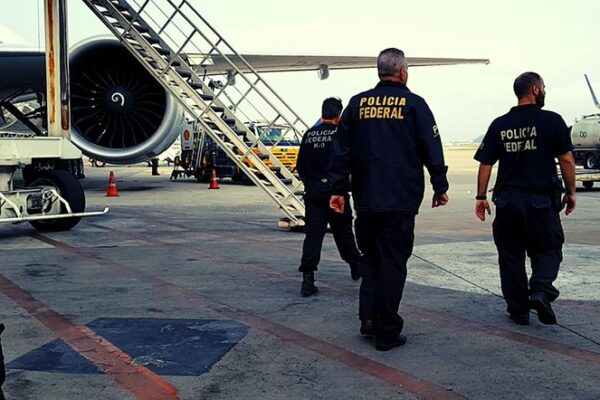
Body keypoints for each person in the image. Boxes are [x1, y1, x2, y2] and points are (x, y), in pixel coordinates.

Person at [328, 48, 449, 351]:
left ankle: (368, 319)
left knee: (371, 260)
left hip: (366, 199)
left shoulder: (356, 105)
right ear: (403, 72)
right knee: (394, 263)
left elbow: (340, 151)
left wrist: (337, 190)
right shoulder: (414, 105)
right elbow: (430, 147)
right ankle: (387, 331)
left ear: (379, 71)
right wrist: (439, 184)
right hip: (400, 200)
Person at [474, 72, 576, 326]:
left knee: (510, 255)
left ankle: (518, 309)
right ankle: (541, 290)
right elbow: (566, 159)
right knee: (549, 248)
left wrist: (480, 196)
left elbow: (486, 163)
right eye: (543, 87)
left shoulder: (499, 124)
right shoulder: (552, 121)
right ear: (535, 89)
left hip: (508, 202)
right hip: (540, 201)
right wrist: (571, 191)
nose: (544, 90)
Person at [296, 97, 361, 297]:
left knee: (313, 235)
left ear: (323, 113)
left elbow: (300, 166)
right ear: (338, 114)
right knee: (343, 232)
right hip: (336, 191)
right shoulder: (341, 134)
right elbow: (348, 162)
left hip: (314, 191)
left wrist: (311, 183)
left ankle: (307, 278)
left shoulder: (309, 134)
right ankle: (355, 265)